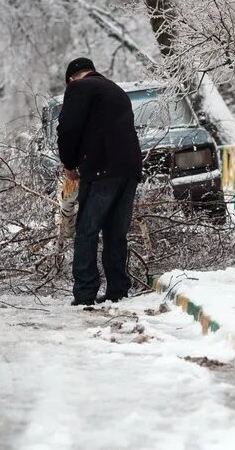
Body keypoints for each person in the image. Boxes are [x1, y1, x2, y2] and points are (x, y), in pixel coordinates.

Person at [57, 57, 142, 306]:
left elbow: (68, 128)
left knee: (87, 230)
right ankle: (117, 289)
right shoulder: (116, 90)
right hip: (129, 169)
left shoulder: (78, 87)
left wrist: (69, 164)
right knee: (116, 232)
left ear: (71, 78)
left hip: (101, 169)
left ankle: (85, 293)